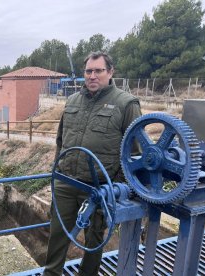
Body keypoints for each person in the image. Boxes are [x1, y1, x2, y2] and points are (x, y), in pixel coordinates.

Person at [43, 51, 142, 276]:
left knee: (95, 240)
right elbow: (61, 141)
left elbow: (135, 153)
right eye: (89, 71)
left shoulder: (126, 104)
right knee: (57, 235)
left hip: (99, 188)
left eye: (98, 70)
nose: (93, 76)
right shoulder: (72, 100)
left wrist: (114, 187)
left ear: (110, 72)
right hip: (66, 183)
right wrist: (57, 172)